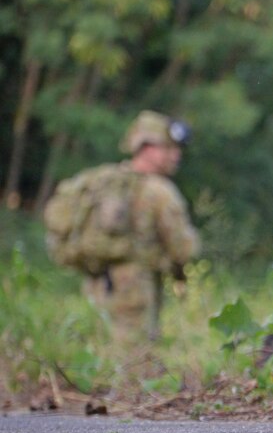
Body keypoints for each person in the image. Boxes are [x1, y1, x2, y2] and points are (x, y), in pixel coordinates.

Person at [44, 110, 200, 347]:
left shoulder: (100, 180)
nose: (175, 155)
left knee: (96, 354)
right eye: (169, 148)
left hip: (95, 284)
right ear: (147, 148)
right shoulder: (160, 191)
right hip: (136, 291)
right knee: (133, 364)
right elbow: (184, 249)